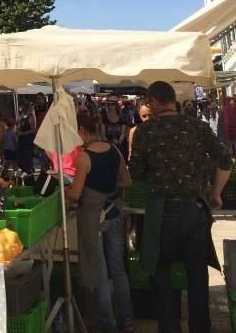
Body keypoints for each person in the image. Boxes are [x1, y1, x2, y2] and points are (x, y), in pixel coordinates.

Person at [130, 81, 232, 333]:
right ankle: (200, 328)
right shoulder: (197, 126)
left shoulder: (146, 131)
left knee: (161, 276)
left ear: (153, 101)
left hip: (161, 213)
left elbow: (136, 172)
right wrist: (216, 193)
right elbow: (225, 160)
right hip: (195, 210)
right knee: (197, 276)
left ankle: (169, 327)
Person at [67, 112, 133, 333]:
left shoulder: (84, 157)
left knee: (100, 271)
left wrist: (67, 191)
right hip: (114, 212)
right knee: (119, 269)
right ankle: (127, 320)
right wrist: (107, 189)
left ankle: (107, 323)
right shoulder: (113, 149)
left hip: (93, 217)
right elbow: (127, 180)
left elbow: (76, 194)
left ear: (83, 131)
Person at [17, 105, 35, 173]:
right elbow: (17, 123)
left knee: (27, 157)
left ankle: (29, 171)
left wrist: (22, 134)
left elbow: (33, 130)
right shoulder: (22, 117)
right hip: (22, 141)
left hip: (28, 140)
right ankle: (24, 170)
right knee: (22, 158)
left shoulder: (30, 117)